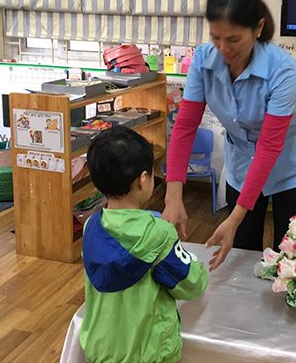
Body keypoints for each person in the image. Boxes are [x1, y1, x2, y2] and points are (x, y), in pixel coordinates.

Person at [163, 0, 296, 271]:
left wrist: (234, 217)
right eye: (216, 37)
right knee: (242, 254)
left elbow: (269, 146)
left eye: (233, 39)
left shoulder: (281, 68)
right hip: (242, 165)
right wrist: (173, 195)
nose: (223, 49)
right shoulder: (203, 61)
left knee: (292, 258)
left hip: (289, 167)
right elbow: (184, 127)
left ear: (258, 28)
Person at [80, 126, 208, 363]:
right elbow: (190, 284)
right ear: (143, 179)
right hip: (148, 353)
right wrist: (198, 267)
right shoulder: (158, 234)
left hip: (101, 349)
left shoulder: (91, 227)